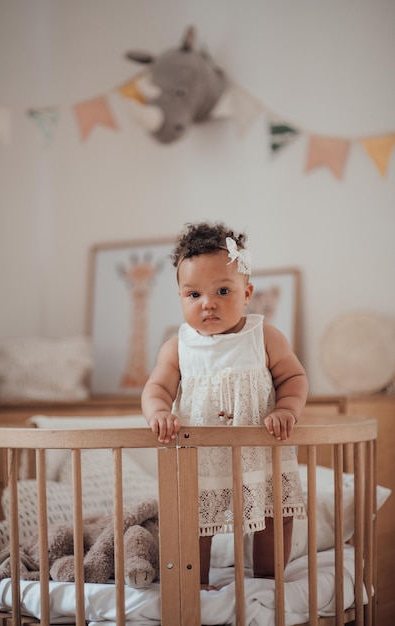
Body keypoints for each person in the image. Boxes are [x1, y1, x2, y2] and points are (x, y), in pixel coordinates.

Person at [141, 221, 308, 589]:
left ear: (246, 293)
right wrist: (159, 412)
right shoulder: (178, 346)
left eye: (222, 290)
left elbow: (294, 379)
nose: (208, 303)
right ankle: (195, 584)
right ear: (181, 297)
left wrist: (287, 410)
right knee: (195, 522)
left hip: (262, 453)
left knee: (274, 515)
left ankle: (269, 580)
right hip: (202, 457)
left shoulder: (263, 337)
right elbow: (156, 387)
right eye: (194, 294)